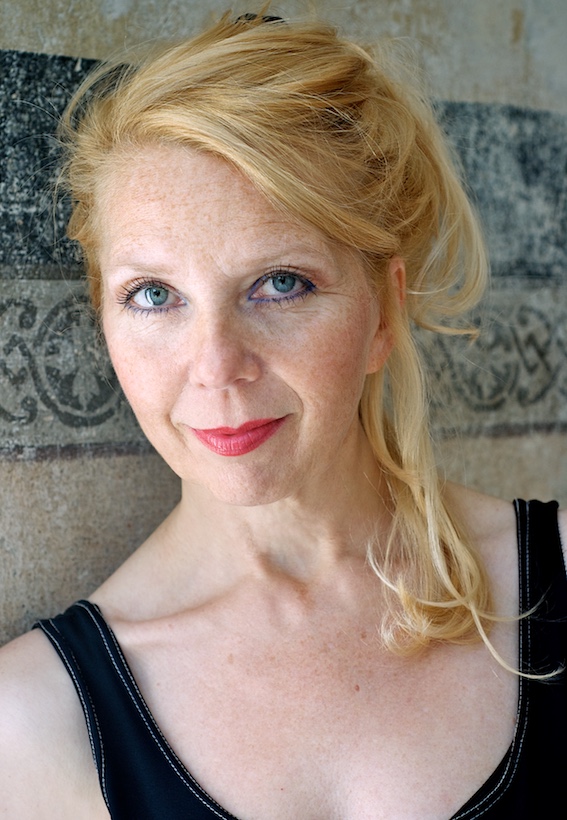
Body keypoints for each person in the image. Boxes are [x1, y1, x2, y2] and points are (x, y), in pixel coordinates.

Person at [0, 11, 565, 819]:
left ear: (382, 314)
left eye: (279, 284)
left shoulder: (554, 580)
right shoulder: (32, 723)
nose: (216, 366)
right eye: (153, 295)